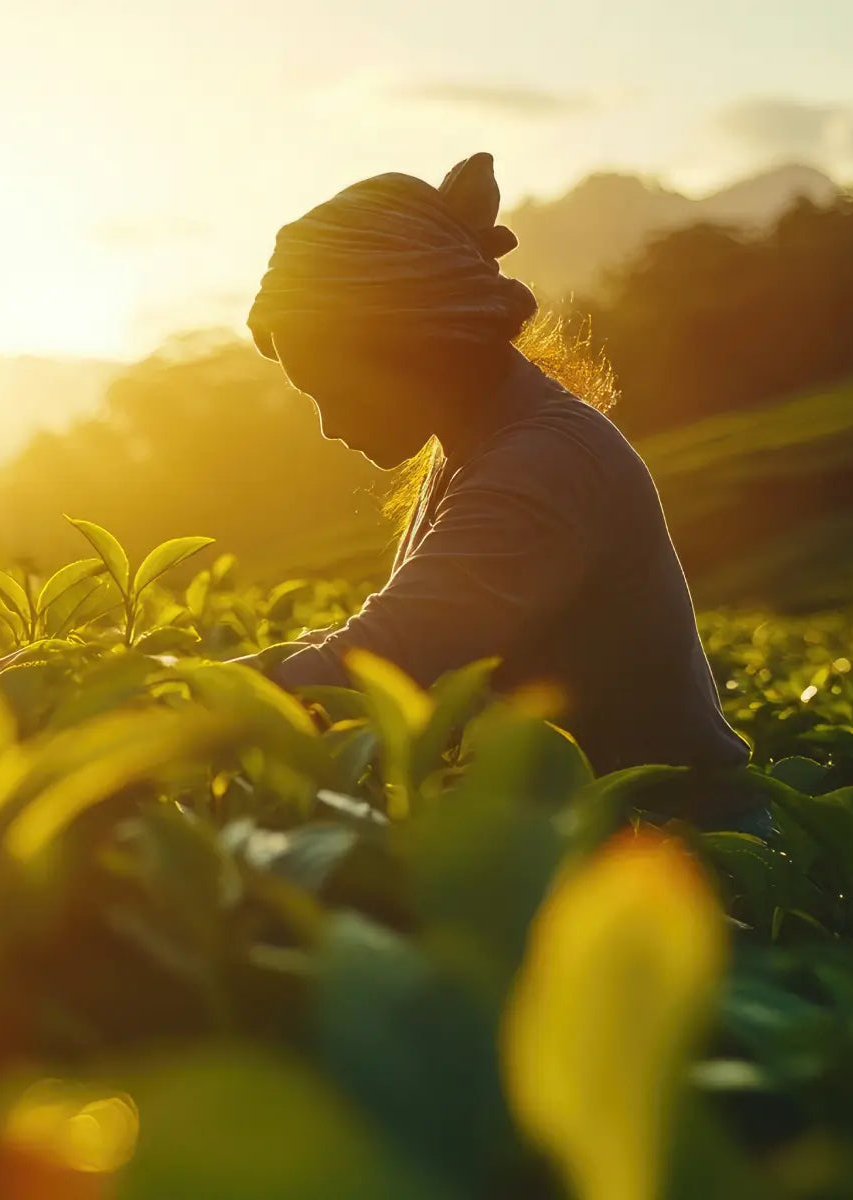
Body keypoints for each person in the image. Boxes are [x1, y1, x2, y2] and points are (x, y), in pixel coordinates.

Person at [241, 151, 754, 810]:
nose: (328, 425)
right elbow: (378, 636)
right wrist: (178, 680)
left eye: (333, 390)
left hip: (688, 861)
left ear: (408, 344)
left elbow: (387, 658)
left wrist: (157, 723)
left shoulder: (546, 464)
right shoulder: (474, 448)